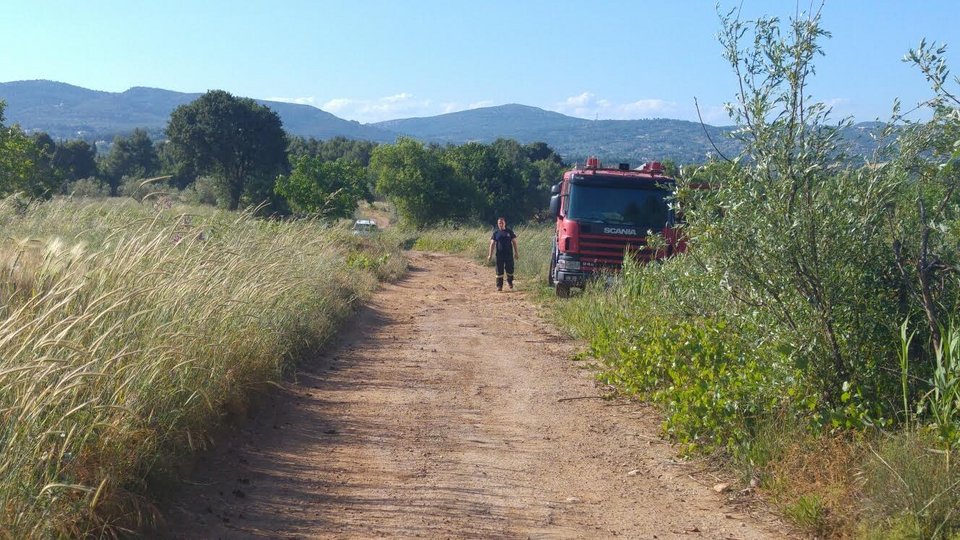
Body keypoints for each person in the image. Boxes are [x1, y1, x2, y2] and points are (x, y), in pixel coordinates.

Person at [487, 217, 518, 291]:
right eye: (499, 223)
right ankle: (499, 286)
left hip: (509, 255)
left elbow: (514, 242)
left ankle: (510, 282)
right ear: (498, 224)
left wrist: (516, 253)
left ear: (505, 223)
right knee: (499, 271)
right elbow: (492, 244)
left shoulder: (509, 232)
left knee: (510, 270)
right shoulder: (496, 233)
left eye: (502, 223)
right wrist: (490, 255)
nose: (501, 224)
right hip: (499, 255)